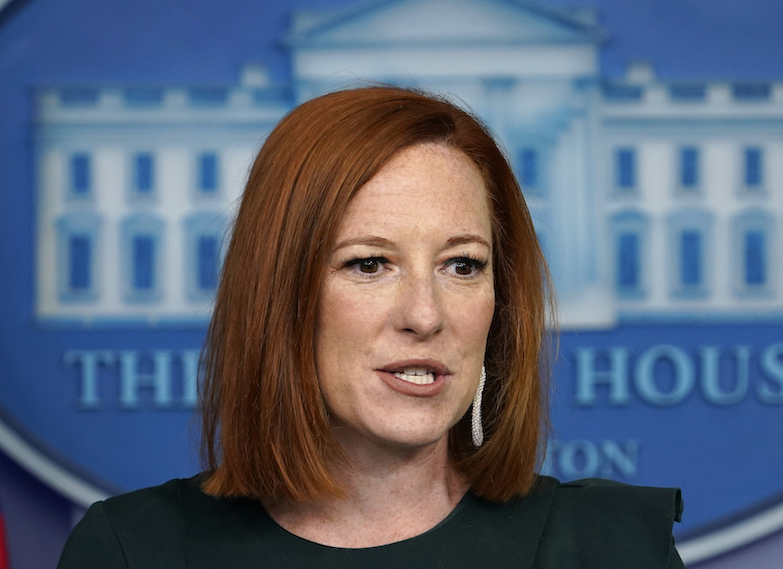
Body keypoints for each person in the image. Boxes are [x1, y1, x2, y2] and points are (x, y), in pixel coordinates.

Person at [58, 86, 683, 567]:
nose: (425, 315)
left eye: (462, 265)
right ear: (281, 295)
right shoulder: (134, 553)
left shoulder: (610, 548)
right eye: (370, 264)